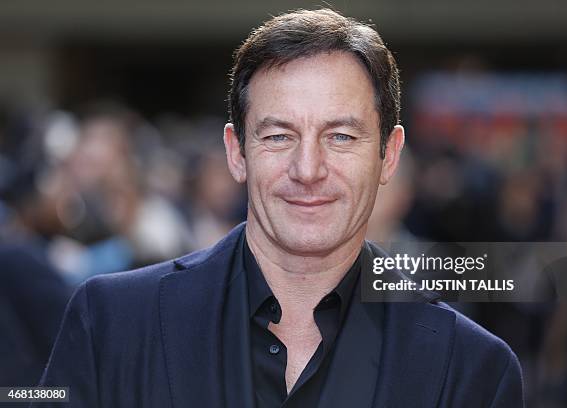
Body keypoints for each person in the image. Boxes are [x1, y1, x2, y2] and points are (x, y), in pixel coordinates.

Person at [35, 9, 523, 407]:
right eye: (278, 136)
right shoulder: (111, 323)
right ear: (236, 151)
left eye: (341, 137)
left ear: (388, 156)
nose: (307, 168)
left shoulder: (470, 367)